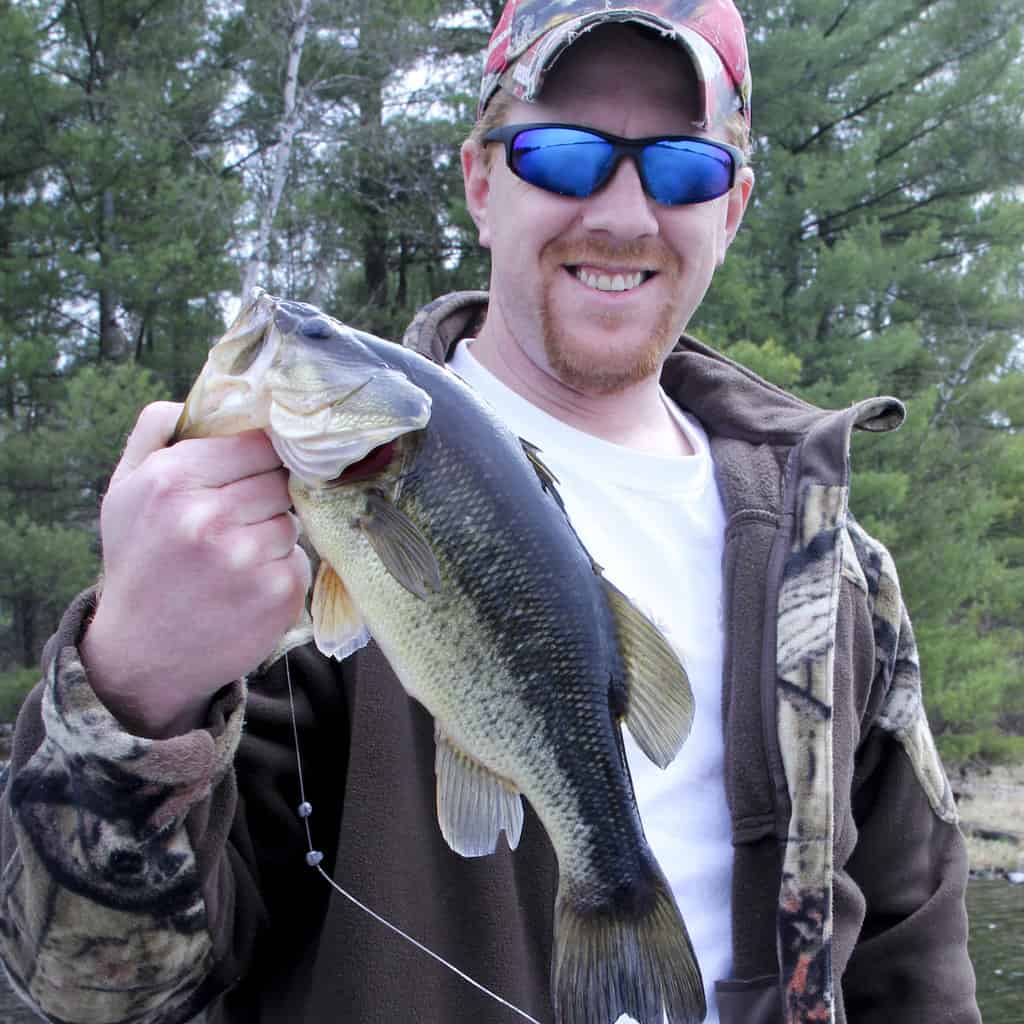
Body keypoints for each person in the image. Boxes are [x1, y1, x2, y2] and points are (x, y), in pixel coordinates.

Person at [0, 2, 980, 1023]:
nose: (623, 213)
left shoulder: (837, 573)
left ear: (729, 207)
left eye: (680, 170)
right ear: (480, 180)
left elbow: (916, 963)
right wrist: (132, 691)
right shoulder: (249, 537)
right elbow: (79, 998)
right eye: (562, 155)